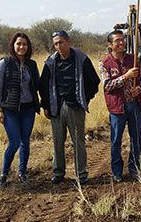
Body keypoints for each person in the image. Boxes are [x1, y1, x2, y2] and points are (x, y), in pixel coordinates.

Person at [39, 30, 100, 185]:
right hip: (56, 107)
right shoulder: (51, 62)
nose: (59, 46)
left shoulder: (81, 59)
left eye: (61, 42)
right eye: (56, 44)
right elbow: (43, 85)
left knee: (78, 141)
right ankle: (58, 172)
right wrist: (45, 105)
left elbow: (94, 82)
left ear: (68, 42)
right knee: (57, 141)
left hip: (75, 107)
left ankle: (81, 174)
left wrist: (84, 99)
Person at [99, 30, 141, 182]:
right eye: (118, 41)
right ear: (110, 45)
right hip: (117, 107)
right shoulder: (105, 63)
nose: (121, 43)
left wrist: (138, 89)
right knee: (116, 140)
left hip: (134, 104)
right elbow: (107, 86)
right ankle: (117, 171)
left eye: (123, 40)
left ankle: (134, 168)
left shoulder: (133, 60)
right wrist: (126, 77)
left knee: (136, 139)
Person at [0, 32, 40, 187]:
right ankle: (4, 173)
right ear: (13, 45)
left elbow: (38, 86)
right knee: (14, 142)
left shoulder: (32, 65)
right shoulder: (4, 63)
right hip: (10, 109)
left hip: (28, 109)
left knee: (25, 142)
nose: (22, 47)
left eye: (25, 44)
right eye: (18, 44)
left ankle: (22, 173)